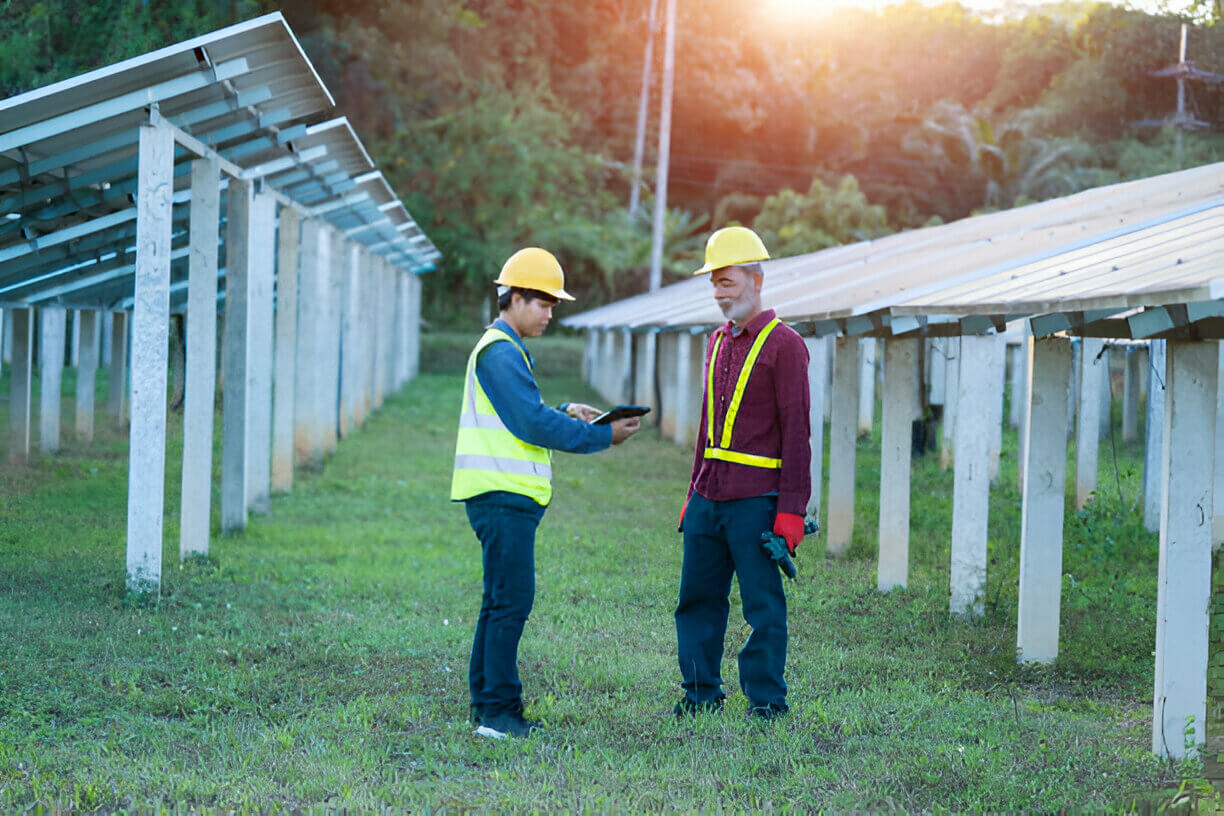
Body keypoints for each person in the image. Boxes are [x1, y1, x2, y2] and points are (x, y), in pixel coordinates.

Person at [451, 247, 641, 739]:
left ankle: (485, 705)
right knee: (511, 600)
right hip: (502, 496)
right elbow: (529, 422)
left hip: (502, 495)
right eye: (543, 303)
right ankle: (499, 716)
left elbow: (522, 415)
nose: (551, 314)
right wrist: (603, 436)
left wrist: (563, 410)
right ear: (514, 298)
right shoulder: (499, 351)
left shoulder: (505, 349)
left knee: (500, 600)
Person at [674, 226, 811, 720]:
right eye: (714, 284)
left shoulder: (786, 345)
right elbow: (706, 430)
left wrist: (791, 512)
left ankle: (767, 701)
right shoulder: (715, 342)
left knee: (762, 606)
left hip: (756, 500)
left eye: (726, 281)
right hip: (709, 497)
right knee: (696, 598)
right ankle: (700, 692)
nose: (718, 292)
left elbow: (798, 434)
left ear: (755, 279)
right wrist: (693, 493)